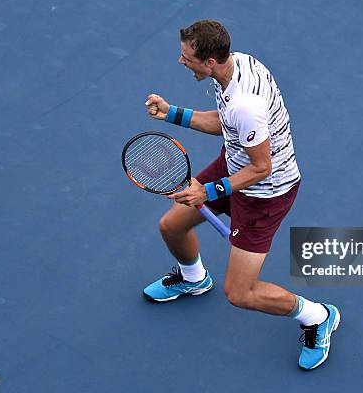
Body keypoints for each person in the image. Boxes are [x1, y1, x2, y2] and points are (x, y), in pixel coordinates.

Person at [143, 19, 340, 370]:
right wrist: (171, 113)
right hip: (234, 167)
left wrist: (207, 191)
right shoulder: (237, 66)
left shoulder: (245, 104)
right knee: (172, 225)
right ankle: (194, 279)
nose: (181, 62)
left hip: (265, 194)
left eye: (186, 57)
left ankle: (318, 316)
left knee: (240, 293)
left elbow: (262, 167)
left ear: (210, 62)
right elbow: (225, 122)